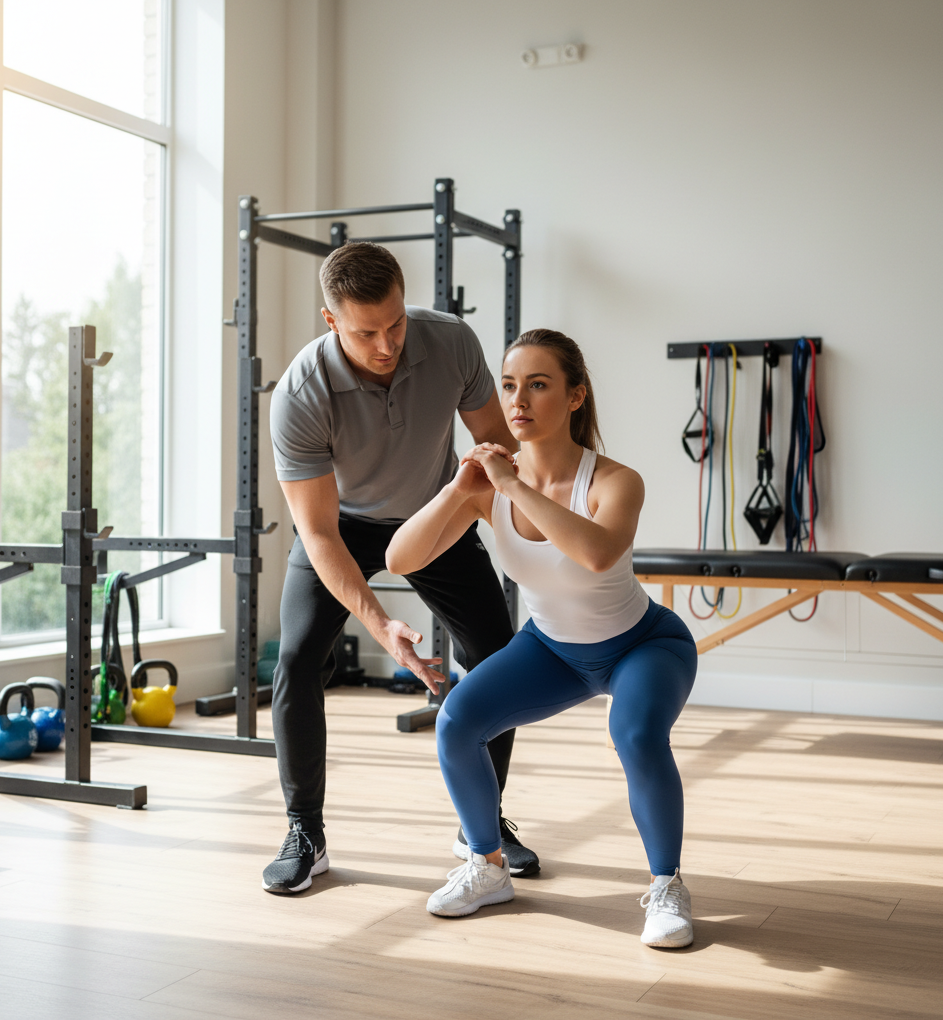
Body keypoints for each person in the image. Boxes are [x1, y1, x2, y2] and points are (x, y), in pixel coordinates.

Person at [385, 329, 699, 948]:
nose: (517, 400)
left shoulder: (615, 481)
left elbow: (597, 554)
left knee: (636, 734)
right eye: (508, 386)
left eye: (538, 384)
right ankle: (487, 866)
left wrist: (511, 486)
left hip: (643, 646)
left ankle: (667, 887)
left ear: (575, 395)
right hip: (553, 649)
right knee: (457, 721)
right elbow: (399, 559)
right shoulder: (487, 487)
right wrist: (457, 490)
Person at [263, 242, 540, 895]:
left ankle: (481, 825)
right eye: (366, 333)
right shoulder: (300, 394)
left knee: (497, 654)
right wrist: (382, 625)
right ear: (331, 321)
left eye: (395, 324)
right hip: (342, 526)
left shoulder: (451, 342)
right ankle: (305, 830)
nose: (387, 344)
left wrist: (532, 537)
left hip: (433, 514)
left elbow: (497, 451)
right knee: (298, 660)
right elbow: (319, 532)